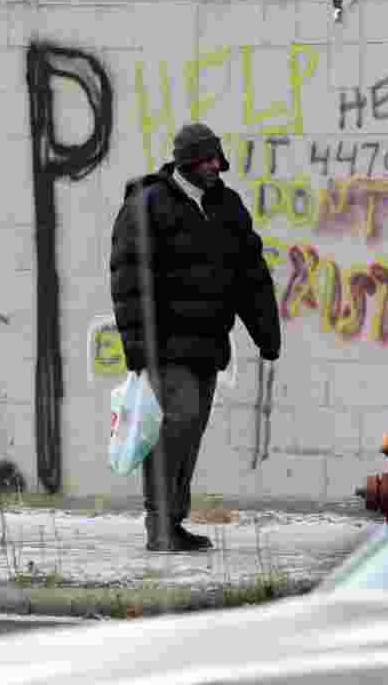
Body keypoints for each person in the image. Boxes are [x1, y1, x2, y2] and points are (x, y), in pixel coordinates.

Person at [109, 123, 282, 552]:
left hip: (208, 344)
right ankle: (159, 523)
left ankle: (173, 521)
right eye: (205, 159)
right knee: (178, 422)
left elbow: (251, 276)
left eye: (216, 158)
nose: (213, 166)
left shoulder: (227, 206)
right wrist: (136, 350)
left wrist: (266, 333)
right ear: (186, 161)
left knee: (191, 430)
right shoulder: (149, 203)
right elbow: (128, 280)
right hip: (165, 345)